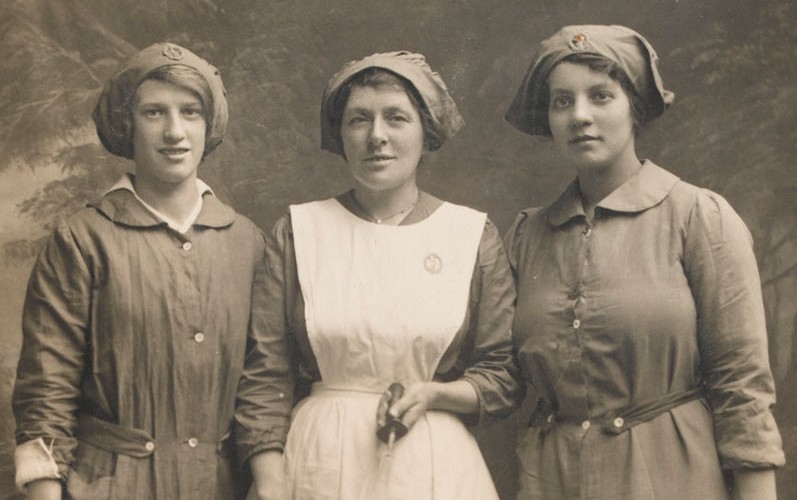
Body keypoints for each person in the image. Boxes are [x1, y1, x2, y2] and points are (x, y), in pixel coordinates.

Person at [503, 25, 785, 499]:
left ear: (634, 107)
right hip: (554, 479)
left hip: (672, 474)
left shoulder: (698, 218)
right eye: (562, 102)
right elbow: (501, 375)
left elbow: (742, 386)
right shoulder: (527, 235)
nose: (580, 117)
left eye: (601, 96)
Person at [12, 42, 292, 499]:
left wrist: (269, 482)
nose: (175, 132)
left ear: (209, 123)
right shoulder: (82, 240)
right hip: (106, 485)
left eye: (191, 112)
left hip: (219, 487)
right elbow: (47, 387)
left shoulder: (247, 242)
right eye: (154, 113)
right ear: (127, 123)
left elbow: (265, 382)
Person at [237, 51, 519, 500]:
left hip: (433, 464)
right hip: (316, 464)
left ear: (426, 133)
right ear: (341, 135)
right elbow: (265, 376)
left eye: (396, 118)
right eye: (359, 120)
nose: (377, 137)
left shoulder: (471, 235)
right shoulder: (298, 232)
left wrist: (431, 394)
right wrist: (271, 481)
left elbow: (501, 375)